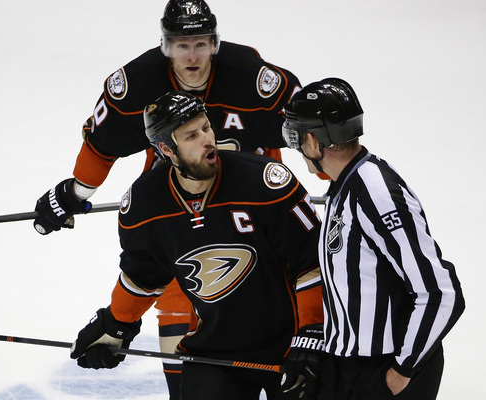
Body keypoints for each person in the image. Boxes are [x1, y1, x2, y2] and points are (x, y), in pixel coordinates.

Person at [32, 1, 324, 397]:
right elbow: (104, 143)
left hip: (256, 212)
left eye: (200, 44)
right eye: (182, 45)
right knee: (181, 288)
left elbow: (313, 131)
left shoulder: (254, 81)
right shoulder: (138, 93)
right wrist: (75, 193)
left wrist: (333, 178)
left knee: (272, 295)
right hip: (180, 206)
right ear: (166, 46)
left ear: (214, 44)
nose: (192, 57)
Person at [69, 91, 322, 400]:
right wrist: (116, 324)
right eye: (191, 135)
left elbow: (313, 264)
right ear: (167, 149)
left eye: (206, 127)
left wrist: (313, 333)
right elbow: (143, 276)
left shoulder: (266, 183)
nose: (207, 140)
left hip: (291, 345)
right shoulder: (144, 205)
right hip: (215, 349)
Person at [281, 77, 466, 399]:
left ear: (312, 141)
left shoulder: (376, 193)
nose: (296, 148)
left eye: (294, 136)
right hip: (350, 366)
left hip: (385, 370)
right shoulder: (346, 184)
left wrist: (402, 371)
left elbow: (440, 292)